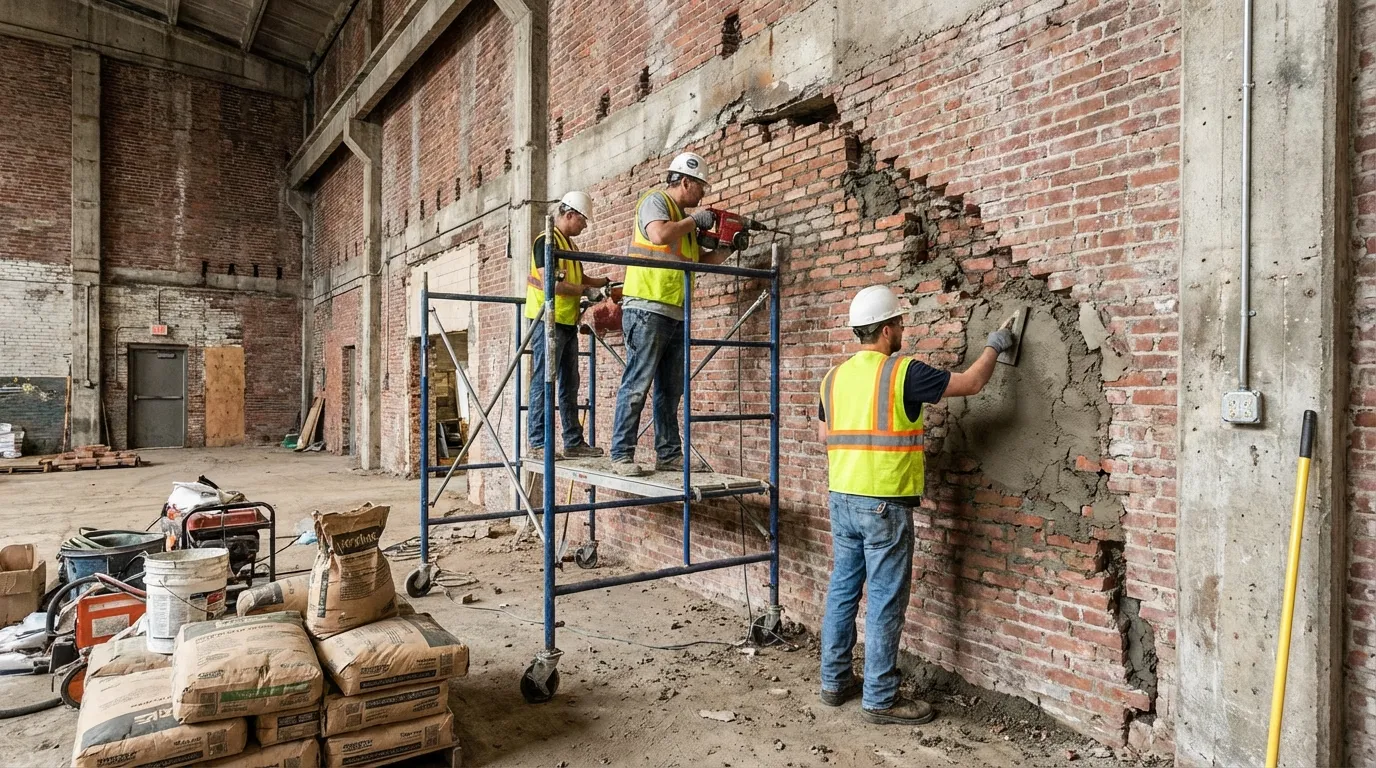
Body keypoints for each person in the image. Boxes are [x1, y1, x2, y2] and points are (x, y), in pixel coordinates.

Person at [816, 285, 1017, 725]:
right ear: (886, 330)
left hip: (842, 498)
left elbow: (824, 438)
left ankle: (833, 683)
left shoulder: (833, 378)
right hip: (883, 504)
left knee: (843, 590)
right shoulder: (901, 372)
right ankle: (880, 700)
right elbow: (972, 383)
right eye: (900, 323)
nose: (903, 329)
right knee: (886, 599)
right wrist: (994, 346)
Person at [608, 152, 730, 477]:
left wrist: (728, 248)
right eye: (700, 186)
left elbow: (699, 262)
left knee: (670, 389)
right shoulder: (656, 202)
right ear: (685, 181)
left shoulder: (682, 222)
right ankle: (621, 455)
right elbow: (658, 235)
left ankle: (669, 455)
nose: (703, 194)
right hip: (646, 308)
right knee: (637, 385)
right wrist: (696, 221)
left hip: (674, 312)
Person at [525, 191, 611, 460]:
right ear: (569, 214)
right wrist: (586, 291)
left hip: (566, 321)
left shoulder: (568, 246)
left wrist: (603, 282)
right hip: (546, 320)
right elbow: (548, 281)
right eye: (583, 220)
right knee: (543, 380)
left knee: (569, 384)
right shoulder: (545, 242)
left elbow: (579, 276)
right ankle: (538, 444)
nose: (584, 226)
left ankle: (573, 442)